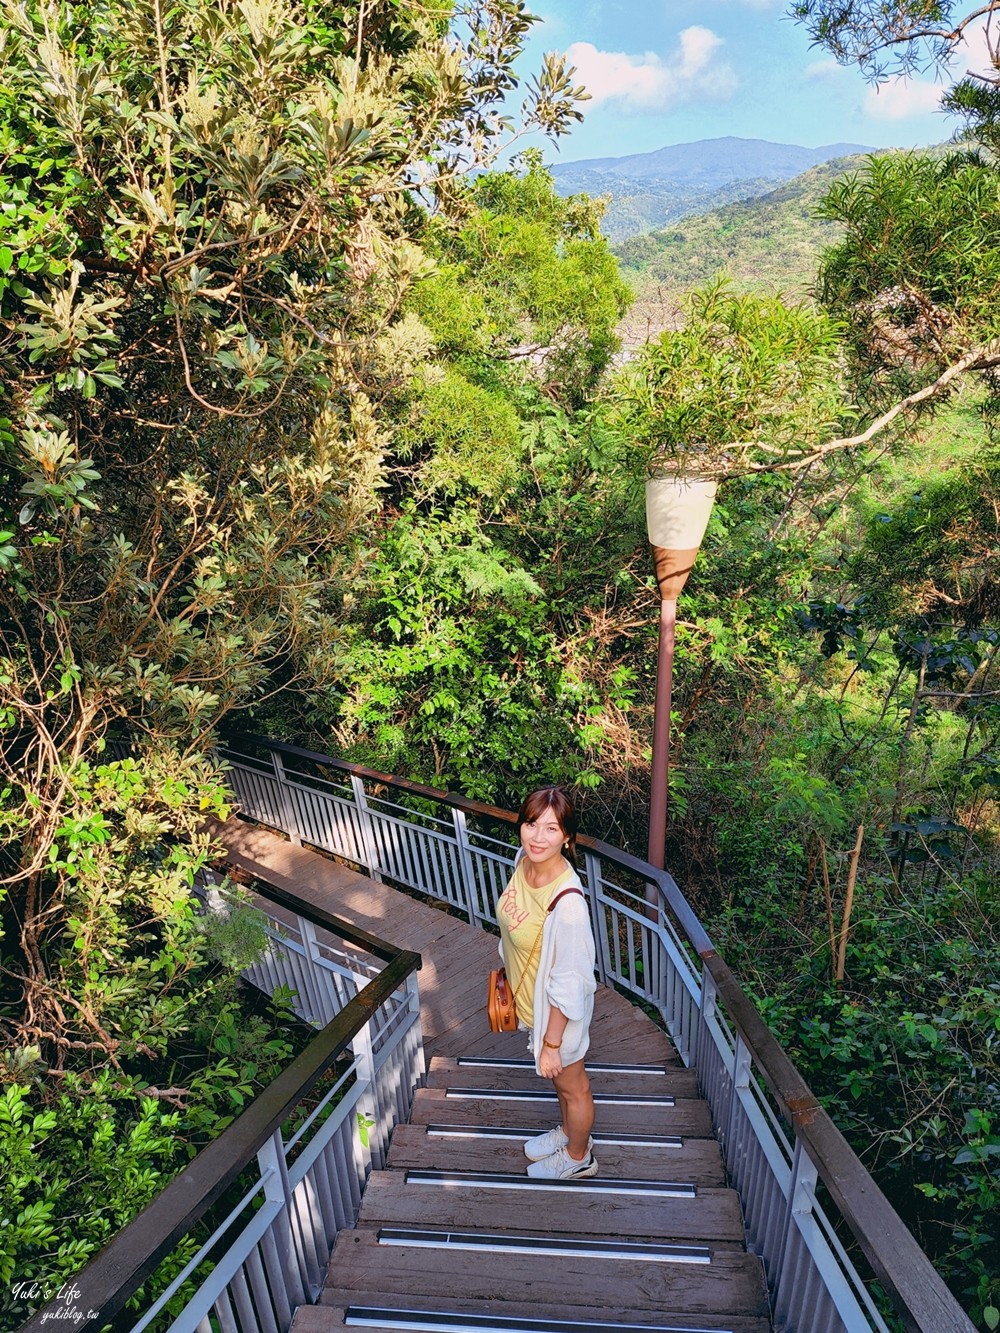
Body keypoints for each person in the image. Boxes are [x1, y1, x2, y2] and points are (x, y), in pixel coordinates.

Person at [496, 787, 598, 1180]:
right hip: (533, 1005)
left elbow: (571, 982)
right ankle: (571, 1133)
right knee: (561, 1086)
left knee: (574, 1087)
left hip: (558, 1017)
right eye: (531, 824)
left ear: (567, 837)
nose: (538, 837)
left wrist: (552, 1044)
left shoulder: (568, 905)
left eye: (551, 829)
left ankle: (578, 1157)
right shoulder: (524, 863)